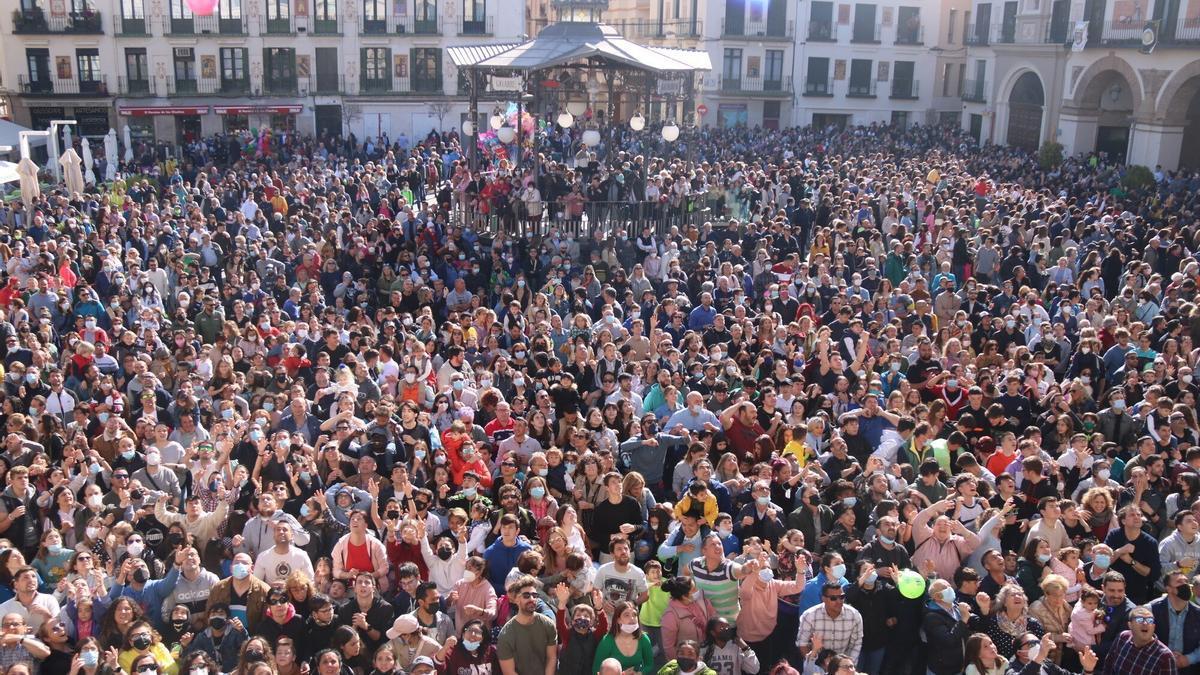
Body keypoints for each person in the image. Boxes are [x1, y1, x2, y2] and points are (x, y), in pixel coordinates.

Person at [496, 575, 557, 675]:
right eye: (526, 595)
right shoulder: (505, 634)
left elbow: (552, 658)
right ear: (516, 600)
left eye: (534, 595)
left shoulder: (548, 624)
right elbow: (509, 672)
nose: (532, 599)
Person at [796, 582, 863, 665]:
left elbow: (856, 643)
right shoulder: (809, 616)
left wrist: (848, 666)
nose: (839, 601)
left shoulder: (854, 616)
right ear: (823, 599)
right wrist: (813, 665)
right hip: (817, 665)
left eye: (841, 597)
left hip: (842, 666)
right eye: (833, 598)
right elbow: (802, 643)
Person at [1101, 605, 1177, 675]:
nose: (1145, 623)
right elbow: (1108, 667)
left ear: (1153, 627)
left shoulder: (1165, 657)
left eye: (1150, 620)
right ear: (1130, 625)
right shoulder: (1122, 637)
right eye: (1140, 620)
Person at [592, 600, 654, 674]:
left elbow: (649, 665)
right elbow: (596, 670)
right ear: (618, 620)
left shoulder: (644, 638)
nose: (632, 618)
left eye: (634, 615)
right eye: (626, 615)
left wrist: (640, 673)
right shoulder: (607, 641)